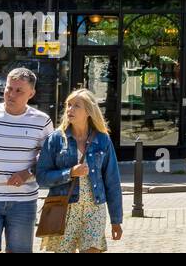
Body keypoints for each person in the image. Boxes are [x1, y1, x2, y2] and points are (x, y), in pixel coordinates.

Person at [0, 67, 54, 253]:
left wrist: (27, 173)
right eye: (8, 88)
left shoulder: (42, 121)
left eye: (19, 90)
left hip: (23, 201)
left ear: (31, 93)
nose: (11, 94)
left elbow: (48, 157)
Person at [35, 89, 124, 253]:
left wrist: (116, 220)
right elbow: (41, 177)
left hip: (94, 208)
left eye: (76, 106)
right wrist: (69, 173)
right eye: (68, 105)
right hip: (64, 208)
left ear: (89, 112)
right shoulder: (56, 139)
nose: (70, 109)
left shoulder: (102, 139)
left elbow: (112, 181)